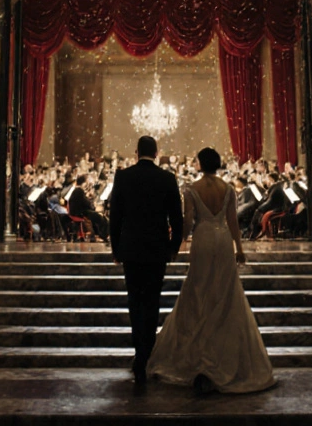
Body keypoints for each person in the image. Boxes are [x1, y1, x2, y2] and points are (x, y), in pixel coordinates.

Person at [147, 147, 276, 394]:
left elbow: (188, 221)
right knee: (225, 291)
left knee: (198, 288)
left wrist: (178, 243)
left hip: (204, 238)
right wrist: (239, 248)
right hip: (223, 239)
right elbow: (233, 222)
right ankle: (224, 353)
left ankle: (199, 352)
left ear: (199, 163)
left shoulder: (192, 189)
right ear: (217, 164)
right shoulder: (228, 189)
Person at [109, 135, 184, 385]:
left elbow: (115, 216)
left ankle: (139, 353)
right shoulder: (166, 178)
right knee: (152, 301)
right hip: (156, 249)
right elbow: (177, 217)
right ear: (156, 152)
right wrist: (173, 247)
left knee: (134, 300)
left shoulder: (123, 176)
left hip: (131, 248)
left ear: (136, 151)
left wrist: (115, 247)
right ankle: (146, 354)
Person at [69, 176, 109, 242]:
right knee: (100, 217)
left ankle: (100, 235)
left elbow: (83, 202)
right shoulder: (79, 190)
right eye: (86, 182)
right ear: (83, 183)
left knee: (98, 215)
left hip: (78, 211)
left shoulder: (77, 190)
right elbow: (87, 204)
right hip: (80, 212)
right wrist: (91, 201)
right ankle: (103, 235)